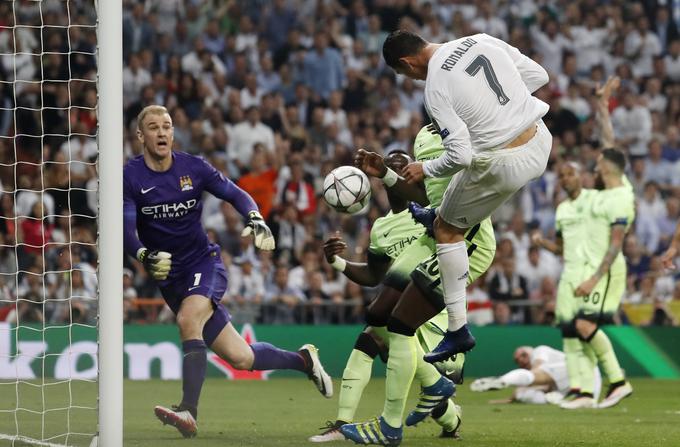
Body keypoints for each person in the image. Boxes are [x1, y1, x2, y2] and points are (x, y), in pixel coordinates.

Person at [123, 105, 332, 439]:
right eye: (153, 127)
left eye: (167, 126)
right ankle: (304, 361)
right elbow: (126, 227)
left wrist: (255, 217)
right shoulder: (130, 176)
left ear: (173, 132)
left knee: (188, 320)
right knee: (242, 358)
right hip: (169, 278)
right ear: (140, 135)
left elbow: (235, 193)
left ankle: (188, 411)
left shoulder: (193, 166)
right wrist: (142, 254)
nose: (161, 133)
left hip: (203, 265)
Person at [379, 30, 551, 362]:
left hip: (504, 161)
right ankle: (439, 212)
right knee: (450, 208)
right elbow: (538, 75)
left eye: (406, 74)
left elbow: (459, 157)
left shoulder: (436, 86)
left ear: (407, 62)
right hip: (541, 139)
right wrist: (501, 110)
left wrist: (424, 169)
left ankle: (457, 330)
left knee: (447, 230)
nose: (413, 79)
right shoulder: (480, 39)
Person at [342, 126, 496, 445]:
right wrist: (384, 174)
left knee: (400, 325)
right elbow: (426, 194)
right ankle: (435, 385)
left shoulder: (468, 128)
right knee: (378, 313)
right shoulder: (425, 134)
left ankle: (389, 427)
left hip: (464, 238)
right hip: (434, 232)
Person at [310, 152, 461, 443]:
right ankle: (342, 424)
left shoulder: (431, 210)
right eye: (391, 170)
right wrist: (336, 263)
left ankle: (446, 412)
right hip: (398, 309)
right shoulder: (381, 227)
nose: (397, 175)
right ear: (380, 180)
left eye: (404, 169)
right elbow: (373, 275)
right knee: (370, 338)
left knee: (389, 345)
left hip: (431, 310)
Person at [470, 345, 601, 405]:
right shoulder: (543, 369)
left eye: (523, 354)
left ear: (529, 350)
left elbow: (538, 369)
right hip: (583, 389)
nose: (521, 359)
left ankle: (503, 380)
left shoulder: (539, 350)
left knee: (529, 382)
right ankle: (504, 381)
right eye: (517, 360)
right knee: (523, 394)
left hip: (583, 369)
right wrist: (508, 400)